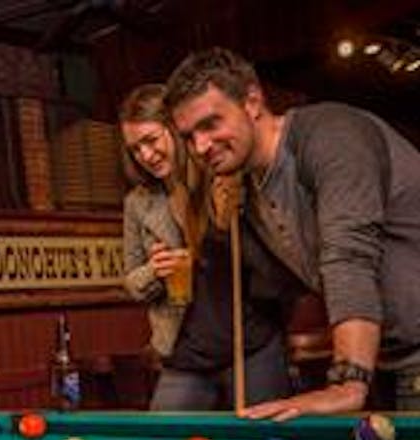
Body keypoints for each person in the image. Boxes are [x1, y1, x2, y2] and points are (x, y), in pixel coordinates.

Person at [166, 47, 420, 419]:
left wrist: (348, 380)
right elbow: (273, 288)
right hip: (386, 360)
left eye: (210, 124)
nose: (200, 147)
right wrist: (223, 232)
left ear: (252, 101)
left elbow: (348, 255)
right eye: (189, 136)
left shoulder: (331, 135)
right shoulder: (247, 193)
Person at [119, 84, 292, 410]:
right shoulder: (138, 203)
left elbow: (276, 260)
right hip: (184, 354)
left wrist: (228, 224)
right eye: (135, 149)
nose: (145, 156)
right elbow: (131, 283)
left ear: (175, 128)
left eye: (151, 140)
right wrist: (155, 271)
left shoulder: (225, 178)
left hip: (250, 346)